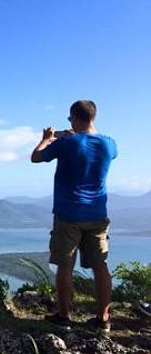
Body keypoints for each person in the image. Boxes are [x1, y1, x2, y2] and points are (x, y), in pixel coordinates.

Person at [31, 100, 118, 332]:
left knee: (65, 266)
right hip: (98, 214)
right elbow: (91, 148)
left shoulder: (67, 143)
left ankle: (64, 317)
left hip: (68, 214)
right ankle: (103, 320)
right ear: (93, 117)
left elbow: (36, 157)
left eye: (70, 119)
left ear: (74, 117)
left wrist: (48, 138)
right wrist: (72, 135)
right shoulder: (110, 144)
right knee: (101, 266)